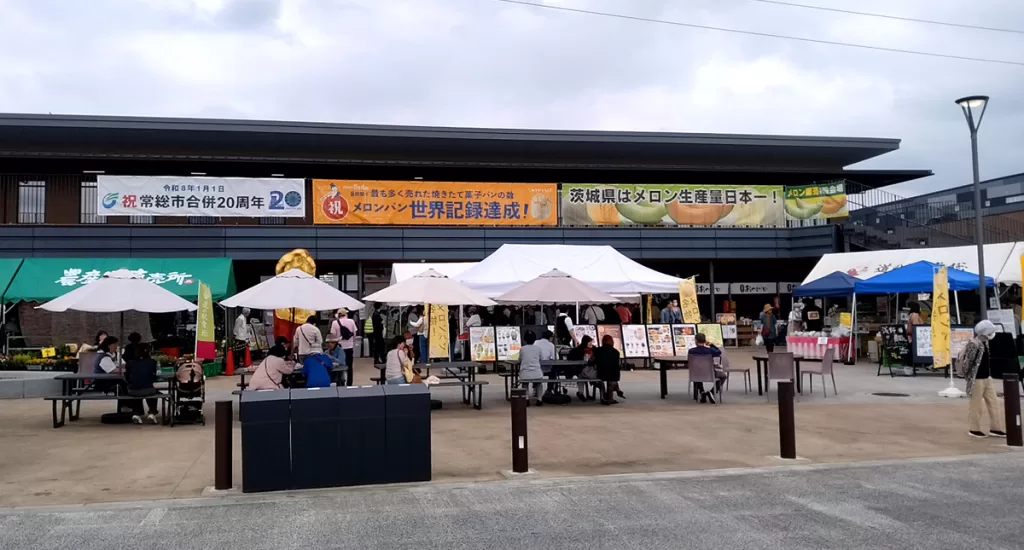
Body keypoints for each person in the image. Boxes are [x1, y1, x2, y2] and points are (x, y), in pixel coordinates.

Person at [956, 320, 1007, 438]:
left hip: (986, 378)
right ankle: (974, 429)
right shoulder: (974, 344)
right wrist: (968, 377)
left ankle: (996, 428)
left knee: (994, 403)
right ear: (985, 332)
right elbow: (968, 363)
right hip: (976, 379)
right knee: (976, 405)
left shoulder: (985, 343)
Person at [124, 343, 160, 424]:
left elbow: (127, 378)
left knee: (137, 388)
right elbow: (154, 377)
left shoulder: (130, 363)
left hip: (132, 391)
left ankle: (137, 412)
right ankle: (152, 412)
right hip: (148, 390)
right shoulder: (152, 362)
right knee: (153, 391)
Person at [688, 333, 727, 403]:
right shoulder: (710, 350)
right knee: (723, 376)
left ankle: (702, 392)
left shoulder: (691, 351)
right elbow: (719, 352)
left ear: (696, 341)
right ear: (704, 340)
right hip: (709, 373)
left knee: (698, 373)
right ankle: (712, 392)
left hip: (695, 374)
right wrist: (711, 345)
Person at [518, 330, 545, 406]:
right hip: (537, 373)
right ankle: (540, 399)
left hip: (525, 373)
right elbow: (541, 359)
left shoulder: (522, 349)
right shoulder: (538, 349)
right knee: (539, 384)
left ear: (525, 339)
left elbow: (519, 360)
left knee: (525, 384)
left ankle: (526, 399)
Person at [594, 334, 622, 405]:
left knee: (601, 380)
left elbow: (592, 361)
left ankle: (603, 396)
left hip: (600, 373)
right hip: (613, 374)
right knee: (611, 380)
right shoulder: (616, 352)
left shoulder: (598, 350)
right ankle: (610, 397)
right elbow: (618, 365)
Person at [567, 335, 596, 402]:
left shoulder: (595, 349)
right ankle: (581, 393)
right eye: (589, 342)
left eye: (591, 341)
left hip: (592, 369)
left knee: (581, 375)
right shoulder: (578, 350)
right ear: (585, 342)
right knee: (581, 375)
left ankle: (581, 392)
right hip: (580, 368)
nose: (591, 343)